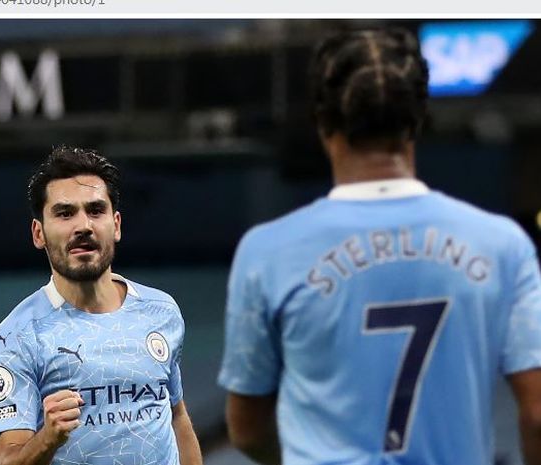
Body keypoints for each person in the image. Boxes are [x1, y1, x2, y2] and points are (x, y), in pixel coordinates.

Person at [217, 28, 541, 465]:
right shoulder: (503, 244)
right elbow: (537, 414)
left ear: (322, 122)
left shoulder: (266, 251)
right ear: (418, 120)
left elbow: (247, 427)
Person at [0, 146, 203, 465]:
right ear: (38, 233)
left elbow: (176, 416)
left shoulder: (161, 310)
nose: (83, 225)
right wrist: (48, 438)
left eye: (95, 210)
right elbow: (9, 460)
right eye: (65, 213)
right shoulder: (14, 340)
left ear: (116, 224)